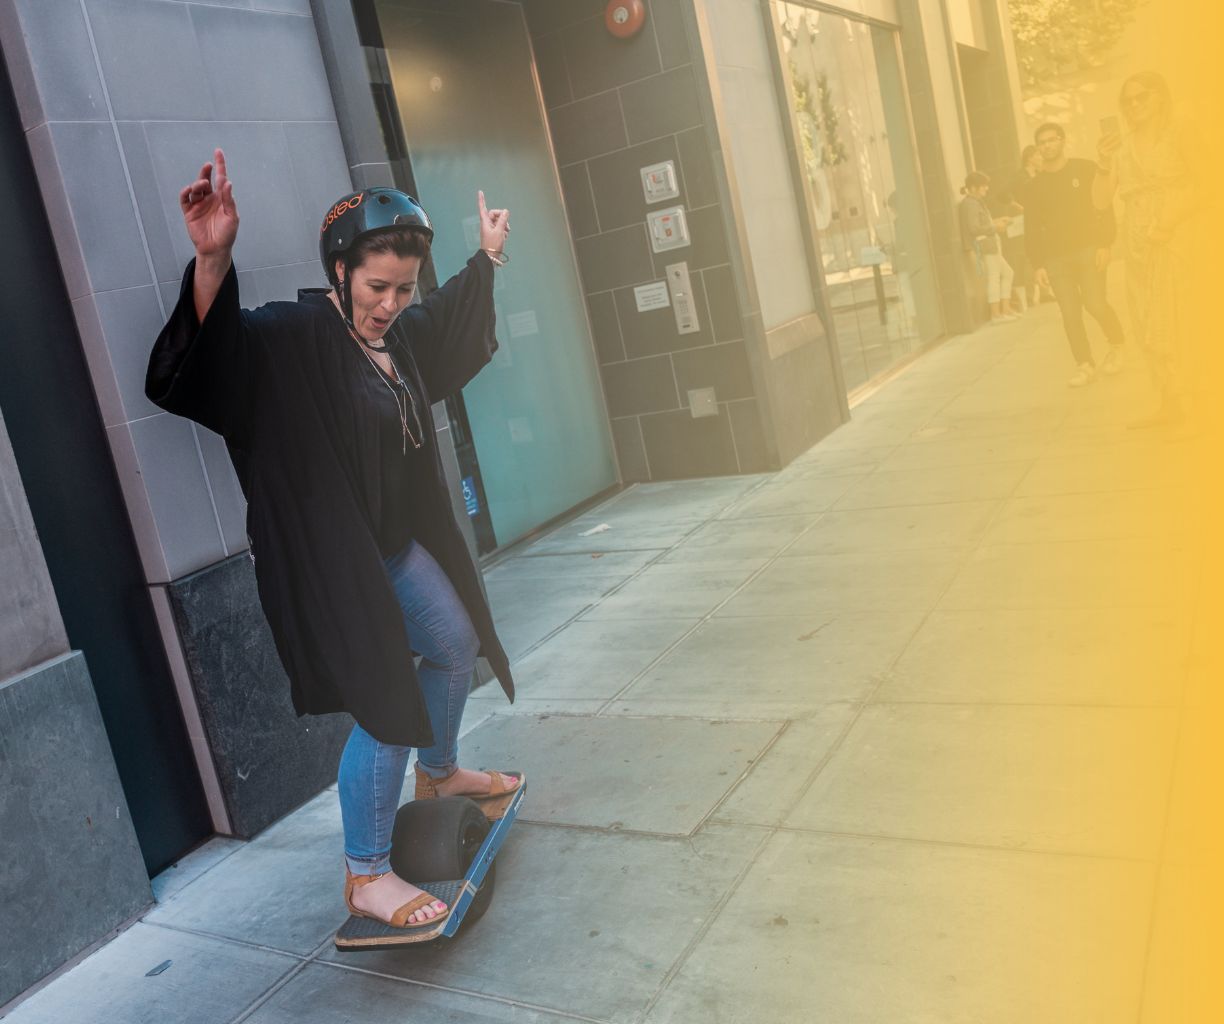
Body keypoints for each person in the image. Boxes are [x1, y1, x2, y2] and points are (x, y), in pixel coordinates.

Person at [146, 150, 519, 933]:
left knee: (451, 644)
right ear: (341, 271)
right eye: (376, 286)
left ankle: (442, 775)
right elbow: (215, 363)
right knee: (386, 701)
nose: (390, 304)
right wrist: (213, 259)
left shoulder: (400, 339)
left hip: (391, 546)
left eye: (403, 288)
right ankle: (366, 875)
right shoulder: (294, 338)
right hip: (331, 562)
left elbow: (445, 323)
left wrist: (486, 256)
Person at [1095, 72, 1198, 427]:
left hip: (1177, 239)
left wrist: (1170, 219)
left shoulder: (1180, 133)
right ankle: (1170, 404)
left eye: (1142, 97)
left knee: (1177, 322)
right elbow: (1099, 200)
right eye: (1128, 100)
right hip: (1138, 248)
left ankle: (1195, 411)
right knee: (1146, 326)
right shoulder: (1121, 147)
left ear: (1160, 97)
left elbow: (1207, 181)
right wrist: (1102, 163)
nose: (1135, 105)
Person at [1026, 122, 1127, 387]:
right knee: (1070, 313)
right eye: (1042, 143)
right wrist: (1038, 264)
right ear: (1038, 149)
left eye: (1052, 140)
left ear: (1062, 141)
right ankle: (1085, 365)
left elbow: (1103, 206)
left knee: (1095, 304)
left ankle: (1117, 344)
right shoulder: (1035, 186)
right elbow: (1032, 227)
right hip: (1056, 259)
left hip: (1089, 250)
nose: (1047, 146)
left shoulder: (1084, 168)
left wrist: (1106, 244)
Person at [958, 171, 1017, 325]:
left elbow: (982, 224)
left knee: (1007, 273)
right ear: (973, 187)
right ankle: (996, 314)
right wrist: (996, 227)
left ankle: (1005, 310)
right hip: (985, 246)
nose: (986, 189)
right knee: (994, 277)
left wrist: (999, 221)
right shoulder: (970, 204)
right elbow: (974, 228)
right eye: (983, 186)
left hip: (989, 245)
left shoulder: (975, 202)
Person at [994, 145, 1042, 310]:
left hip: (1042, 218)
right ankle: (1029, 295)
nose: (1040, 158)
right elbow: (1001, 194)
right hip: (1026, 220)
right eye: (1037, 155)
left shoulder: (1040, 174)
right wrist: (1017, 205)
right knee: (1029, 256)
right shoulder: (1019, 176)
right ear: (1029, 158)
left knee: (1044, 252)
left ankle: (1044, 291)